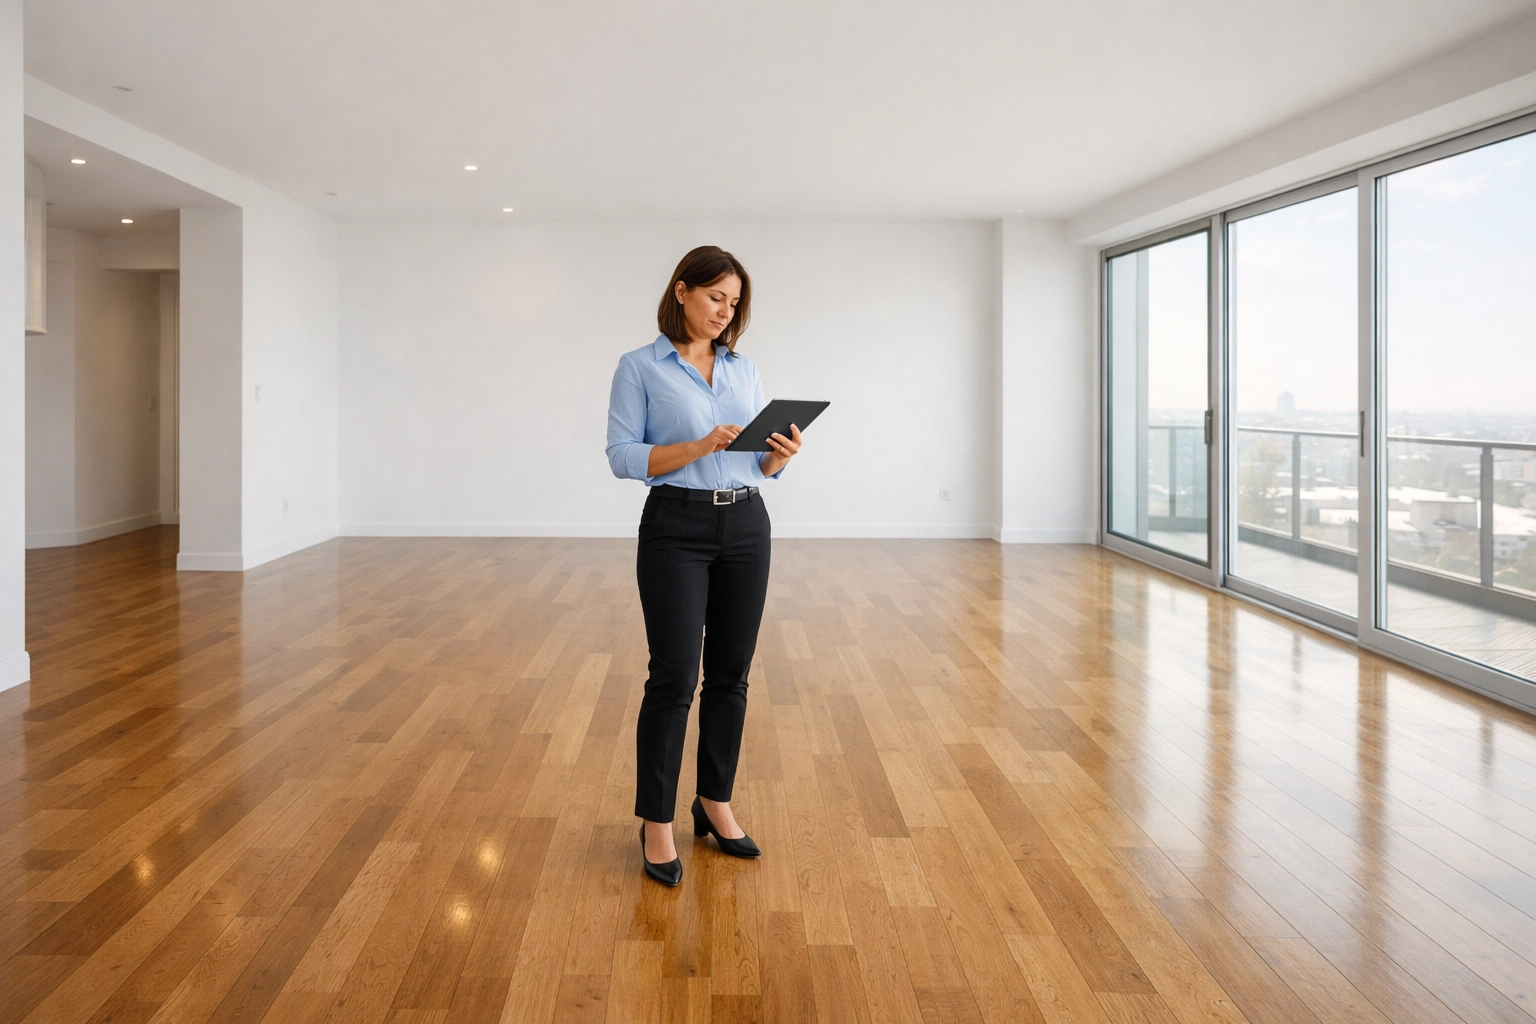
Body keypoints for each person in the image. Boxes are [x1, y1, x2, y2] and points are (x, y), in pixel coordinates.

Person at [605, 246, 803, 886]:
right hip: (676, 527)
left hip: (746, 524)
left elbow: (756, 464)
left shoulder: (744, 370)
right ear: (683, 291)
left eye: (735, 303)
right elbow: (621, 456)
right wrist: (694, 446)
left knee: (730, 675)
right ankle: (655, 822)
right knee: (672, 677)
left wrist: (780, 457)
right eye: (717, 296)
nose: (726, 311)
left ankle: (714, 800)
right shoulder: (640, 367)